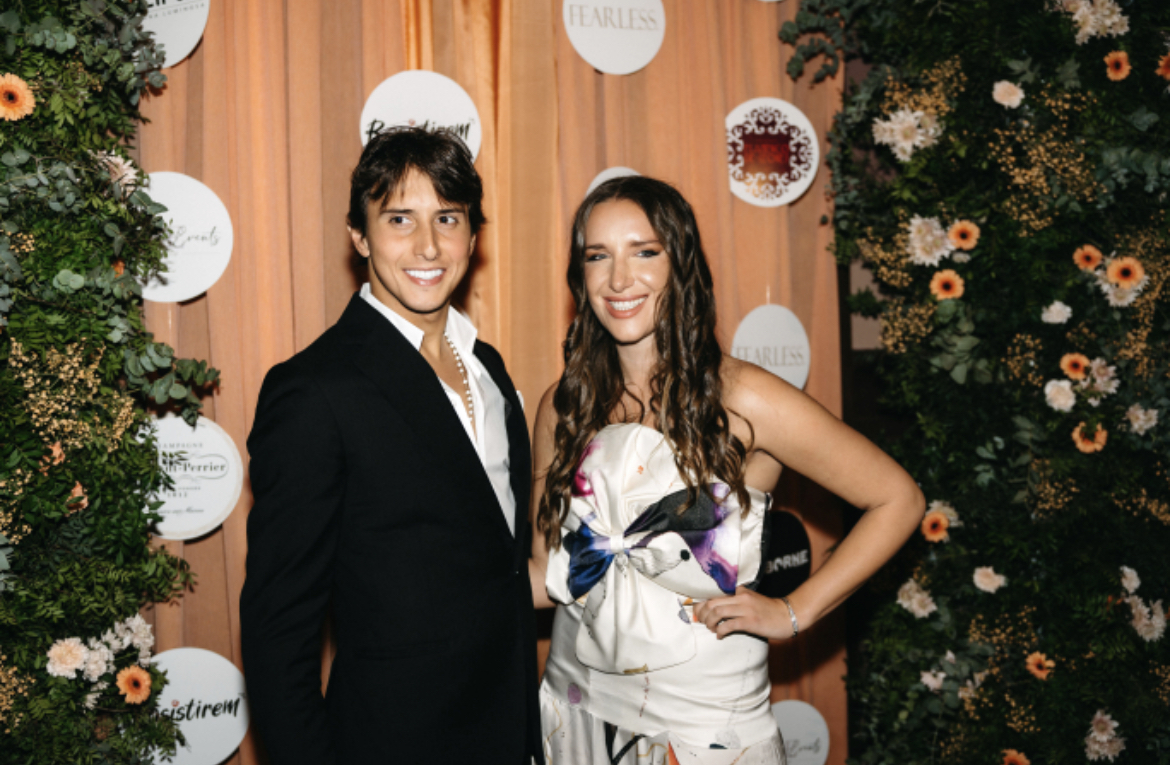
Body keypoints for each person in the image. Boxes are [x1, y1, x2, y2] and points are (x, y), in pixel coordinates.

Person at [528, 176, 924, 764]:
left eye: (644, 252)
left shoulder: (745, 398)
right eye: (597, 256)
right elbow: (547, 573)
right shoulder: (563, 405)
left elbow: (898, 499)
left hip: (703, 732)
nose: (618, 279)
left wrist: (793, 612)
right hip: (575, 712)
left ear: (680, 262)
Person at [241, 127, 542, 765]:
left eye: (448, 218)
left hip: (508, 734)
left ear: (473, 237)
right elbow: (278, 633)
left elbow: (500, 566)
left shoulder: (489, 368)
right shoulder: (314, 390)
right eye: (399, 219)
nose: (428, 245)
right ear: (360, 236)